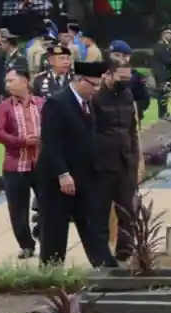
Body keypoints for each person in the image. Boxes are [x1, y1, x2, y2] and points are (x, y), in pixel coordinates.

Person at [37, 60, 118, 267]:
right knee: (55, 229)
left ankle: (104, 266)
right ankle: (51, 272)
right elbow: (50, 143)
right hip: (58, 179)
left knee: (92, 224)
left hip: (85, 176)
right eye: (94, 85)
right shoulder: (57, 103)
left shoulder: (88, 103)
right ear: (80, 80)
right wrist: (62, 174)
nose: (97, 90)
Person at [91, 58, 140, 262]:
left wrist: (136, 159)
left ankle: (125, 251)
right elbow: (90, 132)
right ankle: (101, 255)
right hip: (103, 164)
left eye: (127, 78)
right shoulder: (95, 99)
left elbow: (132, 130)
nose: (124, 81)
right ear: (108, 74)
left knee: (127, 211)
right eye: (121, 77)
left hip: (126, 161)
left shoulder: (127, 95)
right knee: (101, 212)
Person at [0, 68, 43, 259]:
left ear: (24, 81)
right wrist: (23, 141)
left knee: (48, 205)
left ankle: (44, 237)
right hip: (15, 165)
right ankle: (26, 245)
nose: (7, 85)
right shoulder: (5, 106)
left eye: (11, 81)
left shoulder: (41, 104)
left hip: (40, 164)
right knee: (17, 209)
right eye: (6, 81)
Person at [108, 40, 150, 119]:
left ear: (127, 57)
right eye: (113, 55)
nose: (115, 59)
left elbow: (143, 100)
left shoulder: (136, 76)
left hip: (128, 120)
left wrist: (133, 112)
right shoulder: (103, 73)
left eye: (118, 55)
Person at [150, 26, 171, 120]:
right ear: (163, 34)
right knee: (163, 94)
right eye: (168, 33)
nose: (170, 35)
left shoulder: (165, 45)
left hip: (165, 73)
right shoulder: (159, 46)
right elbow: (167, 60)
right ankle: (162, 113)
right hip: (161, 74)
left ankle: (164, 112)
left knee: (165, 94)